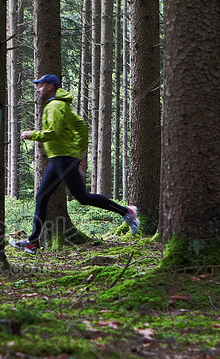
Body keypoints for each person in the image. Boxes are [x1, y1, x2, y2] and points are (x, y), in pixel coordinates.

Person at [12, 74, 138, 255]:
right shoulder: (62, 105)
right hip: (59, 159)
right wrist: (78, 152)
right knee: (42, 197)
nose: (37, 89)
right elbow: (80, 125)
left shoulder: (55, 106)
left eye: (40, 86)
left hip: (63, 159)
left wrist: (33, 134)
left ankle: (127, 212)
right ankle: (32, 243)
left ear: (49, 87)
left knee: (82, 197)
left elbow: (53, 132)